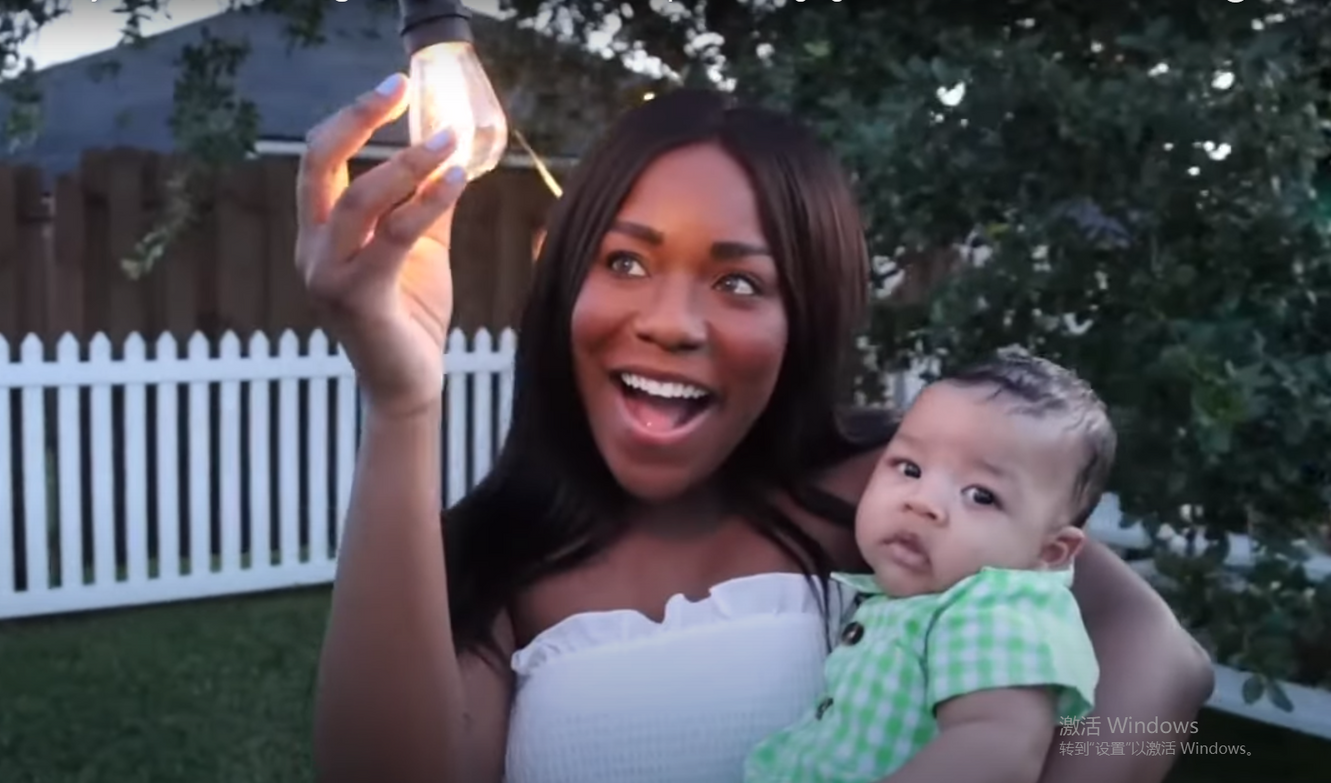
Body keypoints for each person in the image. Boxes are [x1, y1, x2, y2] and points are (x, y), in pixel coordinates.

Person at [297, 77, 1213, 783]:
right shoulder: (486, 558)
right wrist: (401, 401)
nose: (670, 323)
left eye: (739, 282)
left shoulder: (894, 489)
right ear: (568, 279)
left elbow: (1158, 654)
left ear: (803, 317)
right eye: (626, 261)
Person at [744, 352, 1113, 783]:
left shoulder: (998, 610)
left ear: (1050, 552)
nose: (922, 502)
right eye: (910, 469)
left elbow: (997, 749)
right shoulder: (916, 600)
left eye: (980, 495)